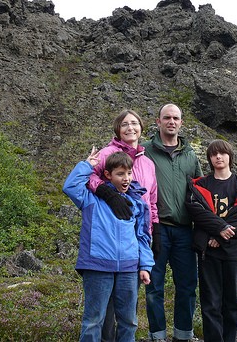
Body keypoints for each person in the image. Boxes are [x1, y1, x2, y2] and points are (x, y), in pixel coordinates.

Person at [62, 148, 155, 342]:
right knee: (93, 321)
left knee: (129, 321)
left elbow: (143, 236)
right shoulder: (91, 199)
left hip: (129, 268)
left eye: (129, 173)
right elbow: (70, 187)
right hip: (97, 266)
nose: (126, 178)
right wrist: (87, 165)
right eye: (120, 174)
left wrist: (145, 265)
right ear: (107, 175)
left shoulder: (137, 202)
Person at [87, 109, 160, 342]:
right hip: (109, 238)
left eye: (135, 123)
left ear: (142, 127)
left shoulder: (148, 163)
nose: (131, 128)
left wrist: (152, 230)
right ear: (118, 129)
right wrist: (108, 193)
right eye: (125, 124)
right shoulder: (107, 153)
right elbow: (89, 178)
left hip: (136, 240)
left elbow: (152, 199)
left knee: (128, 311)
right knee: (103, 312)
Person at [185, 139, 237, 342]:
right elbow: (197, 212)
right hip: (208, 250)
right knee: (210, 302)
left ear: (230, 156)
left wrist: (220, 234)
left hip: (233, 249)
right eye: (214, 154)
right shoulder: (201, 185)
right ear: (209, 158)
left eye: (223, 153)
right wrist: (219, 229)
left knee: (231, 301)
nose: (218, 157)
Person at [142, 103, 203, 342]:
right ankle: (157, 336)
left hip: (185, 231)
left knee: (187, 286)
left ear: (181, 122)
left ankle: (183, 336)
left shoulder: (190, 155)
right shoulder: (144, 151)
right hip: (156, 229)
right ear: (158, 121)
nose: (171, 121)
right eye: (166, 117)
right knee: (154, 287)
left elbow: (201, 194)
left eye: (175, 118)